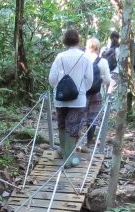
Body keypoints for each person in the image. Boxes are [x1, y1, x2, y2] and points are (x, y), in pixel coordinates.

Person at [48, 29, 93, 165]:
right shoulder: (85, 57)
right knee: (73, 126)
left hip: (60, 98)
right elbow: (89, 79)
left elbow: (52, 78)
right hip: (78, 99)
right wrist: (80, 89)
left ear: (65, 41)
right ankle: (69, 159)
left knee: (62, 124)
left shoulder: (60, 57)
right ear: (78, 40)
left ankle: (63, 151)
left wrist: (60, 88)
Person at [84, 37, 112, 145]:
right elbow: (108, 79)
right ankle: (89, 140)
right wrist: (100, 81)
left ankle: (74, 141)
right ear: (98, 48)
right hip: (96, 92)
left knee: (79, 115)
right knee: (93, 117)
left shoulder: (83, 59)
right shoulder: (102, 61)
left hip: (82, 93)